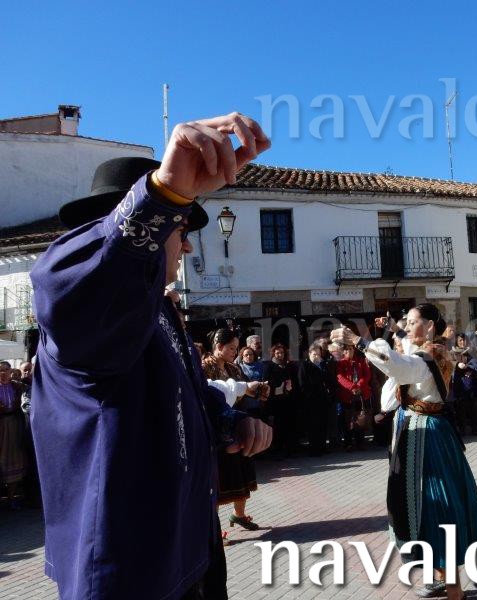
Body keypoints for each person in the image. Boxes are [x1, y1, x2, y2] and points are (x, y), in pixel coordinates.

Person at [30, 114, 273, 600]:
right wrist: (161, 195)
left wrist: (229, 422)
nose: (187, 243)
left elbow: (182, 393)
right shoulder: (90, 312)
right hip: (130, 573)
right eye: (179, 227)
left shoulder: (161, 312)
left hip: (188, 554)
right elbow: (63, 282)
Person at [331, 305, 477, 600]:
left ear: (429, 325)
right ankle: (441, 578)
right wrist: (394, 328)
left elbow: (400, 366)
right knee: (416, 504)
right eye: (406, 322)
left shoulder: (432, 354)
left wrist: (359, 340)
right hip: (415, 430)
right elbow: (404, 357)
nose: (406, 327)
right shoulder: (426, 349)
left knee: (436, 504)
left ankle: (454, 590)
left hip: (427, 435)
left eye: (412, 322)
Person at [203, 328, 268, 537]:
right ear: (218, 346)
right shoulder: (205, 366)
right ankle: (213, 528)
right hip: (217, 431)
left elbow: (243, 391)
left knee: (240, 474)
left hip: (236, 425)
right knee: (218, 481)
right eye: (231, 348)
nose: (235, 352)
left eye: (236, 348)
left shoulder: (233, 368)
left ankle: (239, 515)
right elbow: (211, 396)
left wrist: (258, 391)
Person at [298, 343, 335, 456]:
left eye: (318, 354)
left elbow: (328, 379)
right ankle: (314, 449)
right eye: (314, 354)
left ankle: (322, 446)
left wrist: (322, 366)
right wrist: (308, 395)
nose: (317, 357)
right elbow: (302, 382)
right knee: (313, 425)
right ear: (309, 354)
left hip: (323, 399)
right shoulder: (305, 365)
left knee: (323, 423)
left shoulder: (323, 365)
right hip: (311, 400)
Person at [263, 343, 298, 458]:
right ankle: (277, 450)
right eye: (277, 353)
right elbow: (266, 381)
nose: (280, 355)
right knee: (277, 426)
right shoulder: (269, 366)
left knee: (288, 425)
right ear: (273, 353)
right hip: (275, 401)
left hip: (287, 400)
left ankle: (288, 449)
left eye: (282, 352)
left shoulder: (287, 365)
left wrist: (289, 387)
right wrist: (278, 386)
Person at [335, 344, 373, 450]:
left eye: (350, 349)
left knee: (360, 418)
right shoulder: (341, 363)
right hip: (347, 395)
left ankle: (360, 442)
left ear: (354, 350)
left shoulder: (361, 360)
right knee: (348, 420)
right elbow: (340, 377)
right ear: (343, 352)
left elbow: (367, 375)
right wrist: (352, 387)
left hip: (361, 394)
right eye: (346, 349)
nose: (348, 351)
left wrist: (359, 385)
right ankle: (348, 443)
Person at [0, 361, 27, 509]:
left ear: (11, 371)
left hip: (14, 426)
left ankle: (11, 498)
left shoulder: (17, 387)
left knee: (14, 459)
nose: (3, 373)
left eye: (6, 370)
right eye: (0, 370)